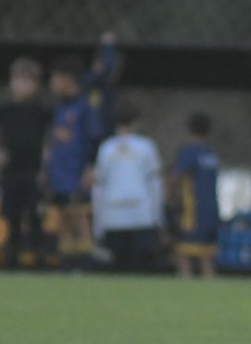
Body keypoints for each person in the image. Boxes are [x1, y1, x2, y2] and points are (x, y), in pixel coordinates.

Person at [0, 57, 53, 269]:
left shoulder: (42, 111)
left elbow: (55, 133)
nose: (22, 86)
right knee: (12, 214)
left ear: (36, 86)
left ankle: (39, 257)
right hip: (10, 171)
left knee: (35, 215)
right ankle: (12, 257)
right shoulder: (3, 110)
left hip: (34, 171)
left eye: (28, 82)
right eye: (18, 80)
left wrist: (49, 155)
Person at [43, 54, 103, 271]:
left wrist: (89, 167)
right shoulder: (58, 107)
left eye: (55, 78)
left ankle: (86, 262)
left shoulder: (85, 107)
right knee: (63, 217)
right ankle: (67, 264)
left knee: (79, 215)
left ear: (68, 80)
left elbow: (95, 139)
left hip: (76, 172)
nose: (52, 83)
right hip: (59, 173)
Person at [92, 99, 164, 273]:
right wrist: (159, 216)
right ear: (137, 121)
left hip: (113, 214)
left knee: (118, 265)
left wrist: (98, 220)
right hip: (142, 214)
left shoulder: (106, 148)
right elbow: (155, 183)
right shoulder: (147, 147)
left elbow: (99, 185)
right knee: (140, 265)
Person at [168, 111, 222, 280]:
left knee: (183, 256)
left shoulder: (189, 153)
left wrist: (169, 201)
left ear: (188, 129)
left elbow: (174, 179)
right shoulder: (211, 154)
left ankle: (185, 295)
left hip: (193, 212)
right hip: (212, 211)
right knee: (207, 259)